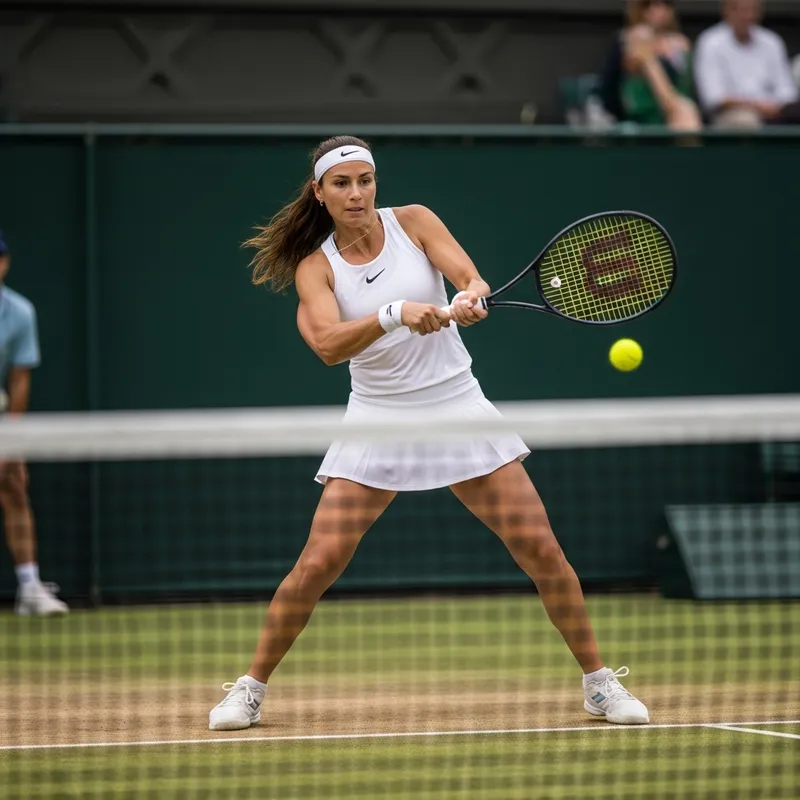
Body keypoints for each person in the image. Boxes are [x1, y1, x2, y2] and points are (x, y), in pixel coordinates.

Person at [208, 137, 649, 731]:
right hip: (378, 420)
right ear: (319, 192)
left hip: (457, 408)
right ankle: (250, 688)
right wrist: (394, 314)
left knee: (542, 550)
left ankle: (599, 684)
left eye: (365, 180)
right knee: (318, 563)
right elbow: (327, 346)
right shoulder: (317, 266)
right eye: (342, 183)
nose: (356, 193)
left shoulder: (413, 222)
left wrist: (468, 296)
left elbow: (469, 276)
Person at [0, 232, 68, 616]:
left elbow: (19, 381)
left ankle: (29, 588)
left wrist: (10, 442)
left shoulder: (20, 312)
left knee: (14, 483)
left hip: (2, 420)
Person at [694, 0, 800, 128]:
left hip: (775, 112)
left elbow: (787, 91)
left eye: (754, 10)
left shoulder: (772, 42)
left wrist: (775, 107)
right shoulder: (710, 42)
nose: (749, 16)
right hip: (730, 115)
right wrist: (757, 106)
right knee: (746, 121)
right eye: (743, 10)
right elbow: (715, 98)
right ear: (726, 11)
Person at [599, 0, 702, 131]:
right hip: (641, 112)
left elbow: (686, 86)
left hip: (678, 109)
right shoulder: (628, 41)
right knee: (683, 111)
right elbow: (610, 91)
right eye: (648, 5)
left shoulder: (681, 43)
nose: (657, 10)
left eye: (664, 4)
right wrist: (646, 48)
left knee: (685, 112)